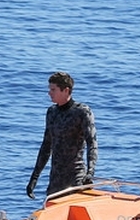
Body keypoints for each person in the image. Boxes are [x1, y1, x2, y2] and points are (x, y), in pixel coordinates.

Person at [27, 71, 98, 199]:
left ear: (66, 90)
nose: (49, 93)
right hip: (56, 179)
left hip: (76, 176)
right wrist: (34, 177)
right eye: (50, 89)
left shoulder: (82, 112)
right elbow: (46, 146)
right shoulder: (52, 112)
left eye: (53, 89)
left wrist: (90, 172)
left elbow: (91, 143)